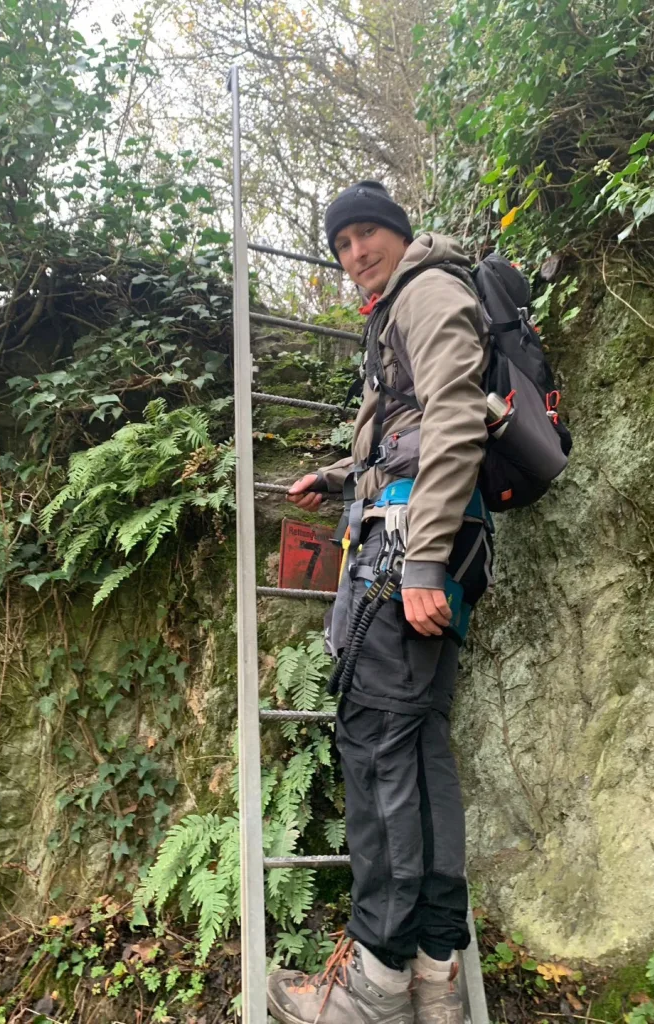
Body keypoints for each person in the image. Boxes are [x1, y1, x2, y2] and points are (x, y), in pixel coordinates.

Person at [266, 181, 491, 1024]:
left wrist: (425, 560)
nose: (356, 253)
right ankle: (435, 976)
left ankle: (376, 983)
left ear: (399, 234)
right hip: (420, 542)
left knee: (378, 756)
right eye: (342, 244)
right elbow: (404, 433)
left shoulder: (426, 291)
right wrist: (335, 478)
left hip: (409, 557)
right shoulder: (400, 308)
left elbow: (458, 415)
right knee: (420, 756)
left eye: (367, 235)